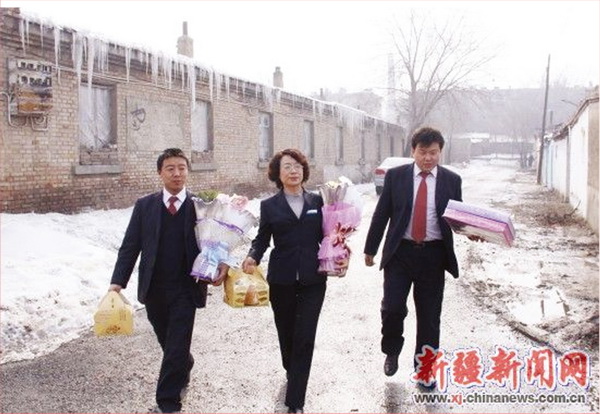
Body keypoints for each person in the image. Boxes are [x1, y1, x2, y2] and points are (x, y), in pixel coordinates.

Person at [108, 148, 227, 413]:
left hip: (187, 285)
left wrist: (222, 264)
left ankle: (168, 400)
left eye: (182, 168)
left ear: (187, 171)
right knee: (167, 338)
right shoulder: (145, 206)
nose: (177, 173)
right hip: (154, 286)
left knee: (177, 342)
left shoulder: (200, 206)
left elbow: (216, 241)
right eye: (170, 168)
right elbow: (130, 246)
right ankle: (184, 363)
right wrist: (117, 282)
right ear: (160, 173)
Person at [242, 148, 344, 413]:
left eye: (297, 166)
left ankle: (295, 401)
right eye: (287, 166)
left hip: (313, 279)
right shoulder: (269, 206)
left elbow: (331, 235)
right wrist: (253, 256)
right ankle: (292, 368)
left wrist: (341, 253)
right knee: (286, 333)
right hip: (282, 279)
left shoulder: (318, 202)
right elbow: (262, 239)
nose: (293, 170)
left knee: (305, 337)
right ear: (278, 173)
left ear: (304, 171)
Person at [363, 127, 464, 389]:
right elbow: (382, 214)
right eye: (423, 152)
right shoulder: (396, 176)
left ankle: (425, 369)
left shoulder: (452, 180)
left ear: (440, 152)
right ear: (413, 151)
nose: (428, 158)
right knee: (392, 308)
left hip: (434, 255)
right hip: (400, 253)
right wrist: (370, 248)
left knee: (429, 316)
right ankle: (392, 349)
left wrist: (474, 231)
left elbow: (458, 218)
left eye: (434, 152)